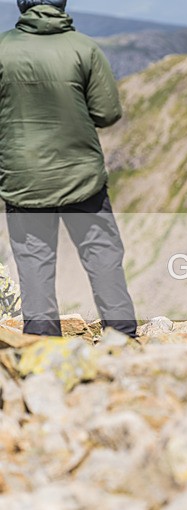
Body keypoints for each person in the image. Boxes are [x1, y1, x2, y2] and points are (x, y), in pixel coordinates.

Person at [0, 0, 137, 337]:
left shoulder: (2, 48)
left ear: (22, 5)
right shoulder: (84, 48)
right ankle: (122, 336)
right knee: (101, 253)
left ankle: (41, 346)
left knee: (34, 262)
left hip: (23, 179)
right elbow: (107, 113)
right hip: (81, 176)